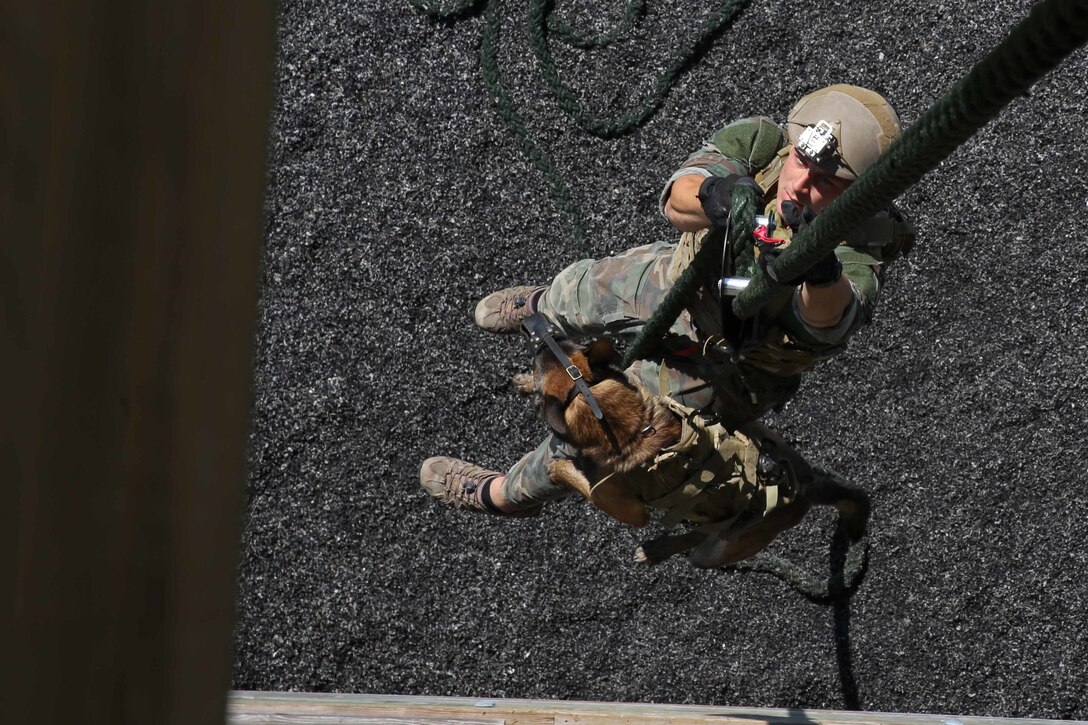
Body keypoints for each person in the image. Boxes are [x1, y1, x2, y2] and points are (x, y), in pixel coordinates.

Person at [420, 84, 915, 517]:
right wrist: (716, 194)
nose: (800, 184)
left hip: (727, 362)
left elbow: (828, 321)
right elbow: (676, 198)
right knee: (579, 289)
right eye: (800, 161)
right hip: (679, 283)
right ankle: (540, 309)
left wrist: (819, 270)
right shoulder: (763, 143)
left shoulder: (862, 242)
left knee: (605, 436)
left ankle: (502, 494)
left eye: (825, 182)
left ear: (859, 193)